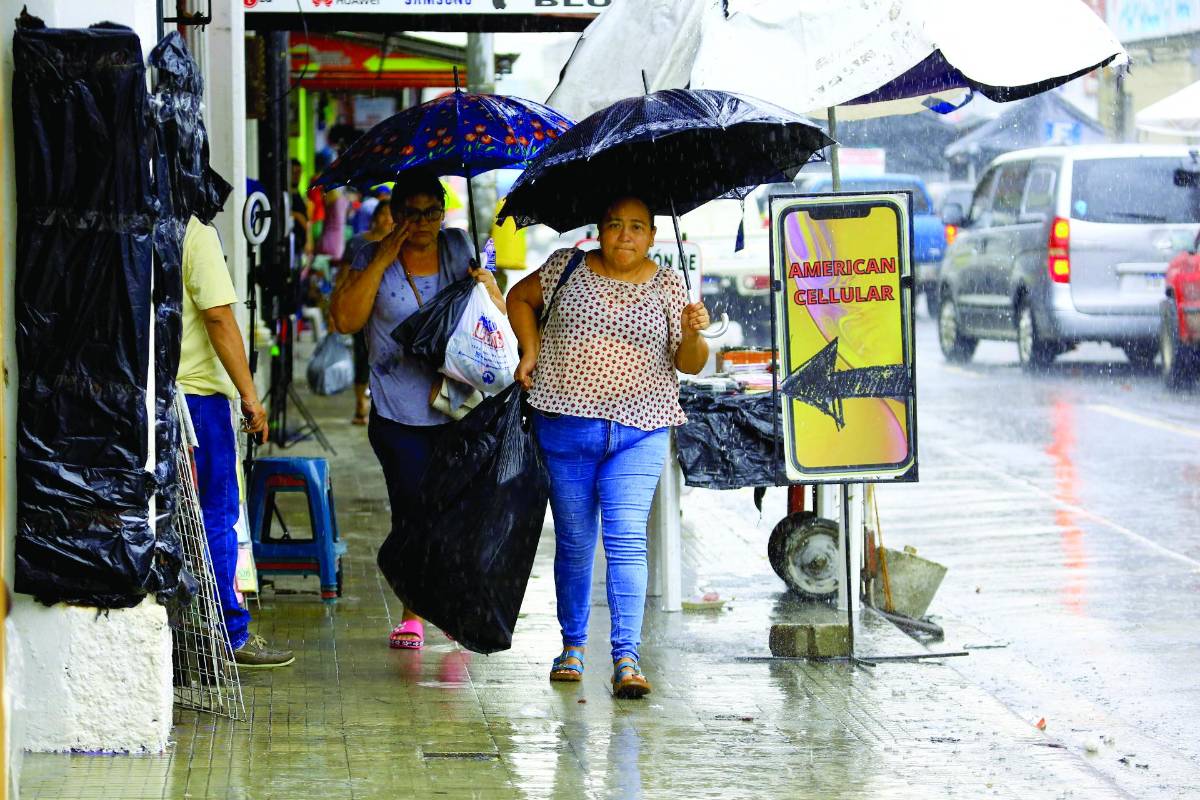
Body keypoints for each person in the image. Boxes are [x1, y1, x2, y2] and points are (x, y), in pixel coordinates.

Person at [507, 196, 710, 699]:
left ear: (653, 236)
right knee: (575, 541)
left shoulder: (669, 286)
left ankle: (626, 658)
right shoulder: (566, 266)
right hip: (564, 425)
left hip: (641, 431)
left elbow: (690, 363)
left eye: (636, 227)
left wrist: (691, 332)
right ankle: (572, 647)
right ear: (598, 229)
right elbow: (517, 298)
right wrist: (530, 349)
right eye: (615, 224)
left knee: (625, 539)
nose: (625, 235)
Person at [329, 172, 504, 650]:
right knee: (413, 510)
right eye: (412, 213)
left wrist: (488, 288)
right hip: (396, 410)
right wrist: (386, 252)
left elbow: (490, 322)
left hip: (457, 405)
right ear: (396, 213)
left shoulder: (457, 247)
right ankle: (413, 611)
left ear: (444, 210)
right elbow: (345, 319)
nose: (423, 222)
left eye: (432, 211)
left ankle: (445, 604)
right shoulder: (370, 256)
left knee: (455, 510)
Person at [178, 214, 294, 669]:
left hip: (153, 392)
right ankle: (228, 632)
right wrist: (250, 395)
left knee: (176, 520)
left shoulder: (140, 219)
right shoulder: (196, 233)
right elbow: (219, 316)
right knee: (215, 514)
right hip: (199, 399)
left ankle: (193, 631)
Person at [339, 199, 394, 424]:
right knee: (361, 357)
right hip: (361, 310)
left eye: (391, 215)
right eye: (383, 214)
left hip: (387, 313)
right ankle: (360, 401)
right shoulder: (358, 244)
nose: (387, 219)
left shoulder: (401, 246)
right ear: (374, 217)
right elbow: (343, 277)